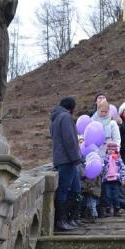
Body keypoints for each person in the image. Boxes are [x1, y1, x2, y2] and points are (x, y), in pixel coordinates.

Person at [49, 96, 81, 232]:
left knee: (75, 189)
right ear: (71, 108)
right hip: (67, 160)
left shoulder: (55, 118)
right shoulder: (66, 117)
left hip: (62, 159)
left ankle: (68, 218)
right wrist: (76, 158)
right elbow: (70, 140)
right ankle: (61, 221)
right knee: (65, 189)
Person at [101, 142, 125, 217]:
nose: (111, 151)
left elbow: (123, 169)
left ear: (115, 150)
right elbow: (102, 168)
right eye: (109, 149)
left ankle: (116, 209)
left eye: (112, 149)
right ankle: (108, 210)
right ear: (107, 150)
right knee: (107, 195)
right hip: (107, 180)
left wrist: (123, 178)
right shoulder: (105, 158)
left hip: (116, 180)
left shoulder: (118, 159)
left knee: (116, 195)